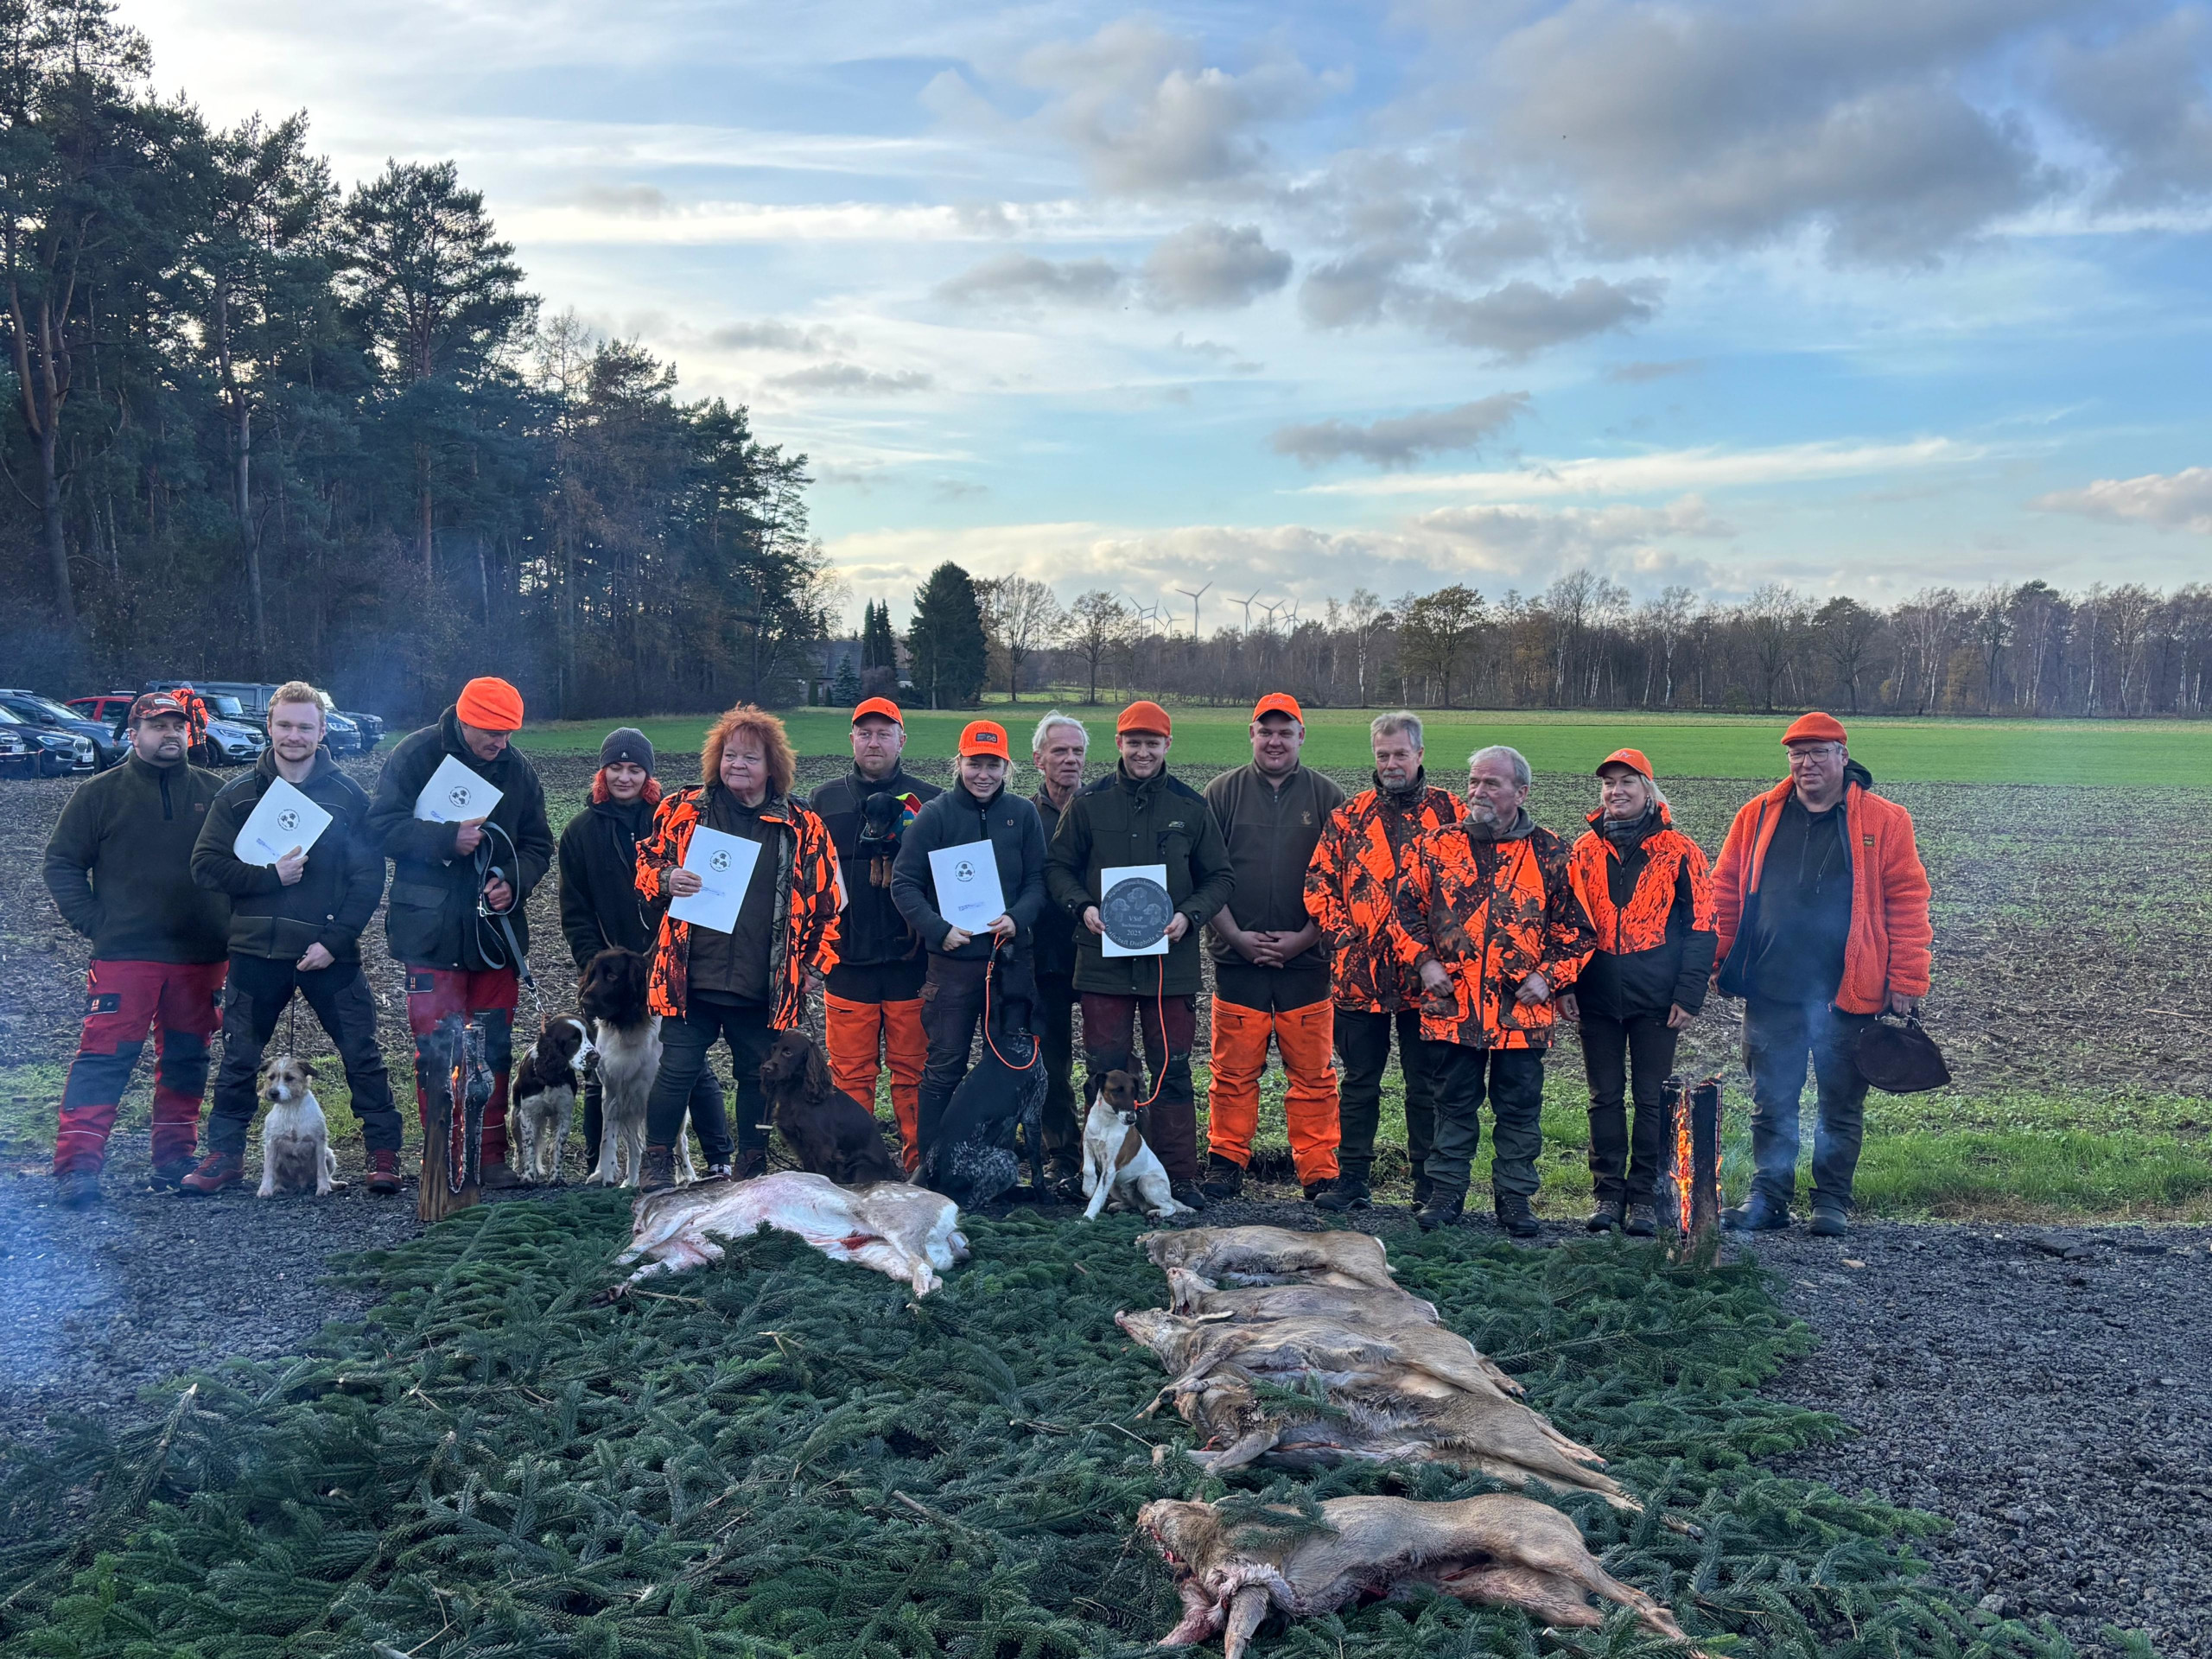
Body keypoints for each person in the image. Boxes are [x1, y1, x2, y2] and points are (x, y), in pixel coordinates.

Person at [1712, 712, 1931, 1237]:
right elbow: (1723, 891)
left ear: (1842, 756)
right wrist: (1718, 960)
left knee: (1841, 1104)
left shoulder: (1885, 820)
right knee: (1772, 1104)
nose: (1806, 763)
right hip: (1771, 988)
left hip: (1846, 993)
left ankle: (1831, 1202)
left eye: (1817, 753)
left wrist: (1906, 978)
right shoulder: (1756, 815)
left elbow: (1907, 900)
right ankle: (1769, 1199)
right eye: (1797, 754)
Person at [183, 683, 402, 1196]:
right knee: (240, 1059)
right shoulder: (237, 795)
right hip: (256, 951)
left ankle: (383, 1153)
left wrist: (336, 940)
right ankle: (224, 1156)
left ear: (322, 731)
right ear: (269, 727)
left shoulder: (348, 798)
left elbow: (368, 878)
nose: (294, 735)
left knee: (362, 1055)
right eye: (285, 724)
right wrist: (267, 877)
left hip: (328, 952)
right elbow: (205, 865)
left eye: (305, 726)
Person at [1391, 745, 1595, 1236]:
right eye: (1475, 782)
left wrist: (1548, 977)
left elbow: (1577, 931)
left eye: (1492, 783)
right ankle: (1445, 1195)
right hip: (1453, 1007)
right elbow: (1403, 912)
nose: (1478, 792)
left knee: (1519, 1109)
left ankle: (1515, 1199)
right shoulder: (1436, 845)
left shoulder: (1551, 852)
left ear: (1521, 792)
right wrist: (1425, 962)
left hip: (1520, 1012)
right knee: (1451, 1105)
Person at [636, 704, 839, 1190]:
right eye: (729, 755)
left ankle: (751, 1167)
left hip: (763, 984)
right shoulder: (683, 809)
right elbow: (645, 864)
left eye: (750, 757)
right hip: (691, 977)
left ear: (772, 766)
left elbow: (829, 903)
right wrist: (665, 878)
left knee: (758, 1076)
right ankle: (656, 1163)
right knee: (676, 1070)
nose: (737, 765)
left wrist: (816, 964)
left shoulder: (803, 824)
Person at [41, 692, 231, 1205]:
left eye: (177, 725)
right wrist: (95, 923)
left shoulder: (217, 793)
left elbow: (245, 862)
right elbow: (61, 863)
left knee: (189, 1059)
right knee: (104, 1057)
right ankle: (77, 1167)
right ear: (133, 734)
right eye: (156, 726)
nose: (170, 734)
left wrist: (232, 926)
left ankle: (174, 1159)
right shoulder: (98, 794)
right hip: (126, 954)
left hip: (201, 954)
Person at [365, 676, 554, 1189]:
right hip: (429, 937)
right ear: (465, 720)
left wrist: (513, 882)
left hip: (495, 940)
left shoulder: (519, 770)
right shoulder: (414, 755)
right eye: (493, 732)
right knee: (437, 1052)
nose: (502, 743)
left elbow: (539, 843)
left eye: (509, 733)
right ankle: (444, 1158)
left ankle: (489, 1156)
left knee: (494, 1050)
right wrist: (446, 839)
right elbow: (380, 826)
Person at [1044, 700, 1234, 1211]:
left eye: (1152, 743)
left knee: (1172, 1070)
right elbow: (1057, 868)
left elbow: (1220, 876)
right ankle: (1099, 1179)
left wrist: (1190, 915)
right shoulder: (1088, 803)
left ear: (1167, 745)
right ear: (1119, 744)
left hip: (1169, 966)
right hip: (1102, 964)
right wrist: (1082, 906)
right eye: (1134, 742)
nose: (1142, 751)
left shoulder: (1191, 807)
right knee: (1104, 1071)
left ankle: (1177, 1176)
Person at [1305, 711, 1465, 1213]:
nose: (1391, 763)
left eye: (1400, 754)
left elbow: (1472, 888)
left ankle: (1427, 1184)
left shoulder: (1453, 814)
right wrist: (1346, 938)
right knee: (1358, 1083)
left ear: (1420, 754)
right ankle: (1352, 1179)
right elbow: (1318, 883)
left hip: (1429, 980)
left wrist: (1443, 952)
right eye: (1382, 755)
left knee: (1426, 1085)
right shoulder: (1349, 816)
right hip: (1360, 978)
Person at [1556, 748, 1716, 1236]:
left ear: (1648, 789)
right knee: (1603, 1097)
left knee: (1651, 1099)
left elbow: (1702, 926)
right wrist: (1566, 983)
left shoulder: (1680, 850)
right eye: (1609, 783)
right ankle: (1607, 1195)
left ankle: (1645, 1197)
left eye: (1627, 781)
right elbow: (1566, 923)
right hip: (1596, 994)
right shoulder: (1583, 850)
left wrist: (1688, 995)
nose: (1616, 790)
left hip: (1656, 999)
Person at [1200, 694, 1346, 1203]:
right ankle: (1225, 1162)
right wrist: (1237, 938)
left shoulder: (1328, 797)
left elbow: (1343, 881)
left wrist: (1305, 938)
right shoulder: (1221, 794)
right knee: (1233, 1072)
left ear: (1302, 736)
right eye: (1266, 731)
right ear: (1252, 734)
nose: (1275, 741)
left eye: (1286, 732)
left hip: (1307, 963)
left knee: (1313, 1075)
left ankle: (1319, 1170)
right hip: (1237, 961)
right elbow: (1204, 875)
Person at [556, 726, 724, 1166]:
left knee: (688, 1062)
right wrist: (595, 967)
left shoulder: (673, 823)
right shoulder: (579, 832)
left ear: (648, 775)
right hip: (612, 976)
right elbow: (575, 910)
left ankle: (718, 1158)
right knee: (602, 1069)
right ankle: (599, 1164)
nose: (625, 777)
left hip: (671, 962)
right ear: (602, 773)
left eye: (635, 769)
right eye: (616, 768)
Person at [891, 719, 1048, 1154]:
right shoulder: (935, 815)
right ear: (958, 763)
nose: (983, 774)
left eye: (993, 765)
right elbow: (904, 883)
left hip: (1010, 964)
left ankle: (994, 1159)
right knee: (944, 1066)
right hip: (952, 967)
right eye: (975, 763)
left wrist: (1017, 918)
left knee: (1007, 1067)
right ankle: (931, 1166)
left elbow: (1038, 880)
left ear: (1007, 767)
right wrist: (939, 930)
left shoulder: (1023, 814)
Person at [808, 698, 940, 1167]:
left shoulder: (930, 801)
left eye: (885, 733)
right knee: (850, 1075)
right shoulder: (824, 801)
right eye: (865, 733)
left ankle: (919, 1167)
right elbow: (807, 883)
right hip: (847, 963)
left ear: (902, 740)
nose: (874, 742)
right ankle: (854, 1167)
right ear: (852, 740)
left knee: (914, 1072)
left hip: (912, 965)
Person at [1027, 710, 1090, 1192]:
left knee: (1108, 1058)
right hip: (1042, 957)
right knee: (1051, 1063)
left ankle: (1109, 1154)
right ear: (1038, 759)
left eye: (1077, 751)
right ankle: (1062, 1154)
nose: (1069, 759)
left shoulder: (1101, 808)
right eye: (1059, 751)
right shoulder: (1021, 815)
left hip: (1097, 953)